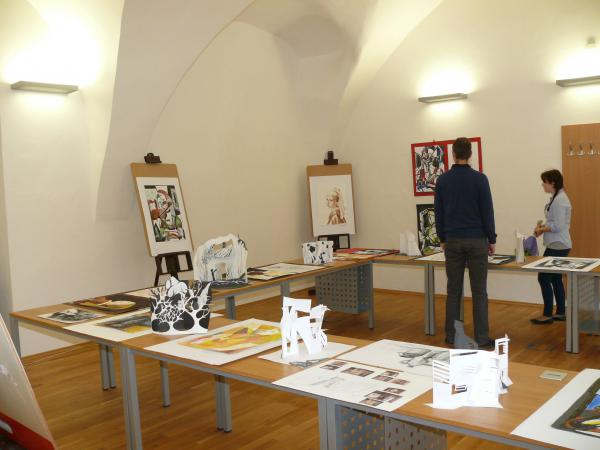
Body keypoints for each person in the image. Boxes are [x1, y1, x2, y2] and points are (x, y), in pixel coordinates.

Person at [434, 137, 496, 348]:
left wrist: (442, 238)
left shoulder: (443, 181)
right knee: (479, 292)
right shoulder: (480, 179)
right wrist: (491, 238)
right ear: (470, 154)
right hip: (477, 240)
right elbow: (487, 211)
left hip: (452, 241)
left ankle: (452, 335)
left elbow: (438, 212)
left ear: (453, 154)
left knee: (453, 291)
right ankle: (482, 337)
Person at [530, 169, 571, 324]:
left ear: (552, 183)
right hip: (558, 243)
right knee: (555, 278)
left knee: (543, 277)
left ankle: (547, 314)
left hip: (558, 244)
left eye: (544, 182)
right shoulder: (556, 197)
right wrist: (543, 228)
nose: (543, 185)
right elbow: (554, 222)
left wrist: (542, 229)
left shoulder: (560, 200)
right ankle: (560, 312)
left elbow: (558, 226)